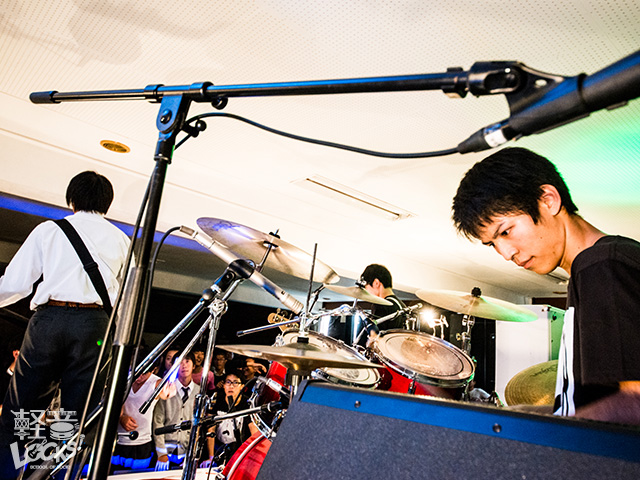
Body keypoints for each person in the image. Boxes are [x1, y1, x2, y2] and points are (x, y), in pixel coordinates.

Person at [452, 147, 640, 425]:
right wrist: (517, 418)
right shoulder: (589, 271)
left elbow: (635, 405)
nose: (506, 253)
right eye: (493, 244)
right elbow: (583, 406)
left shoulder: (603, 266)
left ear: (548, 200)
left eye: (506, 231)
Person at [0, 171, 130, 477]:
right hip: (95, 326)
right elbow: (127, 297)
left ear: (72, 199)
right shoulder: (122, 240)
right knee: (75, 416)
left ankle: (10, 474)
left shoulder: (49, 230)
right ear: (107, 204)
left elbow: (16, 283)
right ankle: (54, 475)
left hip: (50, 322)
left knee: (23, 411)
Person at [153, 352, 199, 471]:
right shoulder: (166, 390)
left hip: (187, 452)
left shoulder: (199, 391)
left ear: (194, 365)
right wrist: (161, 453)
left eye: (187, 361)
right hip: (166, 451)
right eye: (180, 362)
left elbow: (198, 426)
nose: (184, 365)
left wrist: (192, 454)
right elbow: (158, 422)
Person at [205, 371, 258, 467]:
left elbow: (253, 431)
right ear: (223, 385)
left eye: (235, 382)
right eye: (228, 382)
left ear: (242, 386)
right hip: (219, 449)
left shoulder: (247, 404)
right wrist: (211, 457)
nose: (231, 386)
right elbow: (210, 430)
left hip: (240, 450)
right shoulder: (216, 401)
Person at [359, 264, 407, 342]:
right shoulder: (402, 306)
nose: (366, 291)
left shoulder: (381, 305)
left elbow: (375, 340)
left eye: (366, 286)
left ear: (376, 283)